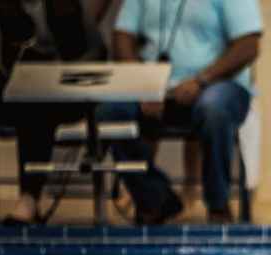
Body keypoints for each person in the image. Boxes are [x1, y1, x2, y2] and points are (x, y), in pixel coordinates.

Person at [97, 0, 262, 224]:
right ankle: (156, 200)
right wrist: (144, 83)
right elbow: (122, 35)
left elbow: (248, 46)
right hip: (156, 90)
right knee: (110, 111)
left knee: (214, 108)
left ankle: (218, 205)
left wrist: (201, 80)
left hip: (216, 84)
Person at [0, 0, 104, 226]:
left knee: (40, 104)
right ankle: (29, 199)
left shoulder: (68, 6)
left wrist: (62, 71)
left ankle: (28, 199)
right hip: (11, 92)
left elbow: (96, 52)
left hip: (61, 90)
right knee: (33, 104)